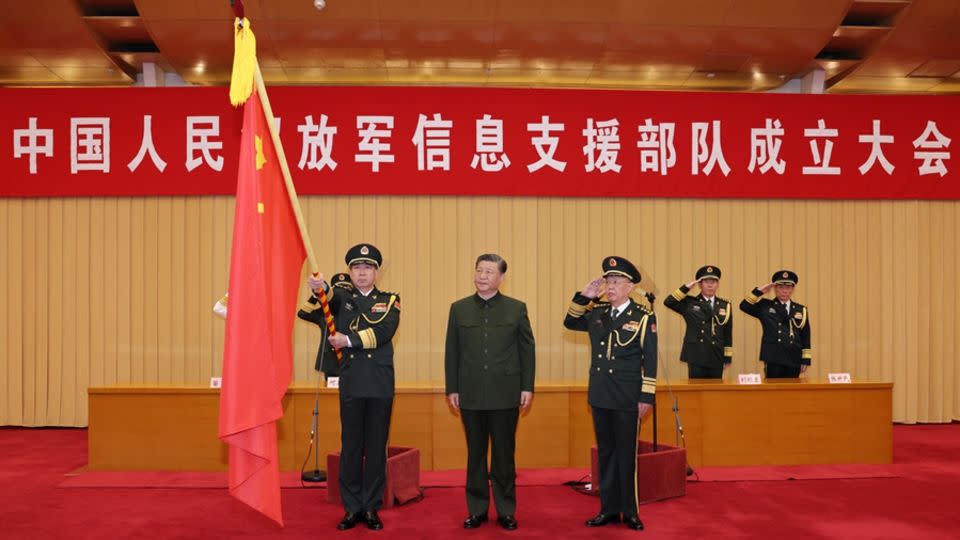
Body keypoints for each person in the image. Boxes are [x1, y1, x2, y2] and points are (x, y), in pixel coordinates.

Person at [298, 244, 400, 531]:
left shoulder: (390, 300)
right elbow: (324, 301)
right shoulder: (342, 298)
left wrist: (348, 340)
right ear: (350, 272)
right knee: (352, 447)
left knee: (376, 448)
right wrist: (320, 288)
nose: (362, 272)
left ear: (377, 271)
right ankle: (352, 507)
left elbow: (383, 332)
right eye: (356, 268)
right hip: (353, 381)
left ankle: (371, 508)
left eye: (368, 268)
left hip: (379, 384)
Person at [563, 256, 657, 531]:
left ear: (630, 287)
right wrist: (585, 296)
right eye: (608, 281)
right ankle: (608, 509)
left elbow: (650, 360)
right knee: (606, 454)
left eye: (617, 281)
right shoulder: (598, 312)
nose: (611, 286)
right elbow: (570, 321)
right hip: (601, 393)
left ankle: (630, 511)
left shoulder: (643, 317)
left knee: (626, 455)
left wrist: (646, 397)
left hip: (628, 396)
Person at [444, 254, 536, 531]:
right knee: (475, 454)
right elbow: (452, 351)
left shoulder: (516, 309)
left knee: (504, 455)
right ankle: (477, 509)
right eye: (479, 270)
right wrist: (453, 388)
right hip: (470, 393)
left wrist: (527, 387)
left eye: (488, 271)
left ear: (501, 278)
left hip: (505, 393)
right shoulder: (459, 309)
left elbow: (526, 350)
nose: (482, 275)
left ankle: (506, 510)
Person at [663, 265, 733, 379]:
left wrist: (727, 357)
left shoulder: (725, 305)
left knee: (715, 392)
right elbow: (668, 302)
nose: (710, 285)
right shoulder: (689, 303)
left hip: (716, 355)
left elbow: (727, 332)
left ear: (718, 284)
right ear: (700, 285)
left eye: (714, 281)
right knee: (696, 392)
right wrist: (686, 288)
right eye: (706, 281)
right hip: (696, 355)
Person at [739, 270, 811, 378]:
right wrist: (758, 292)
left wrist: (805, 359)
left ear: (793, 289)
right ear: (775, 288)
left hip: (794, 356)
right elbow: (744, 306)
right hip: (773, 356)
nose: (784, 291)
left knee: (792, 392)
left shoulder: (801, 309)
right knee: (773, 391)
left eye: (788, 288)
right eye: (781, 287)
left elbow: (805, 335)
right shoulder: (765, 306)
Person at [298, 273, 353, 375]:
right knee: (329, 391)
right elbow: (303, 314)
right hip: (330, 362)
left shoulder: (355, 310)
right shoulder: (324, 312)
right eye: (338, 290)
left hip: (350, 360)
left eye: (345, 290)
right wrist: (316, 295)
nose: (341, 293)